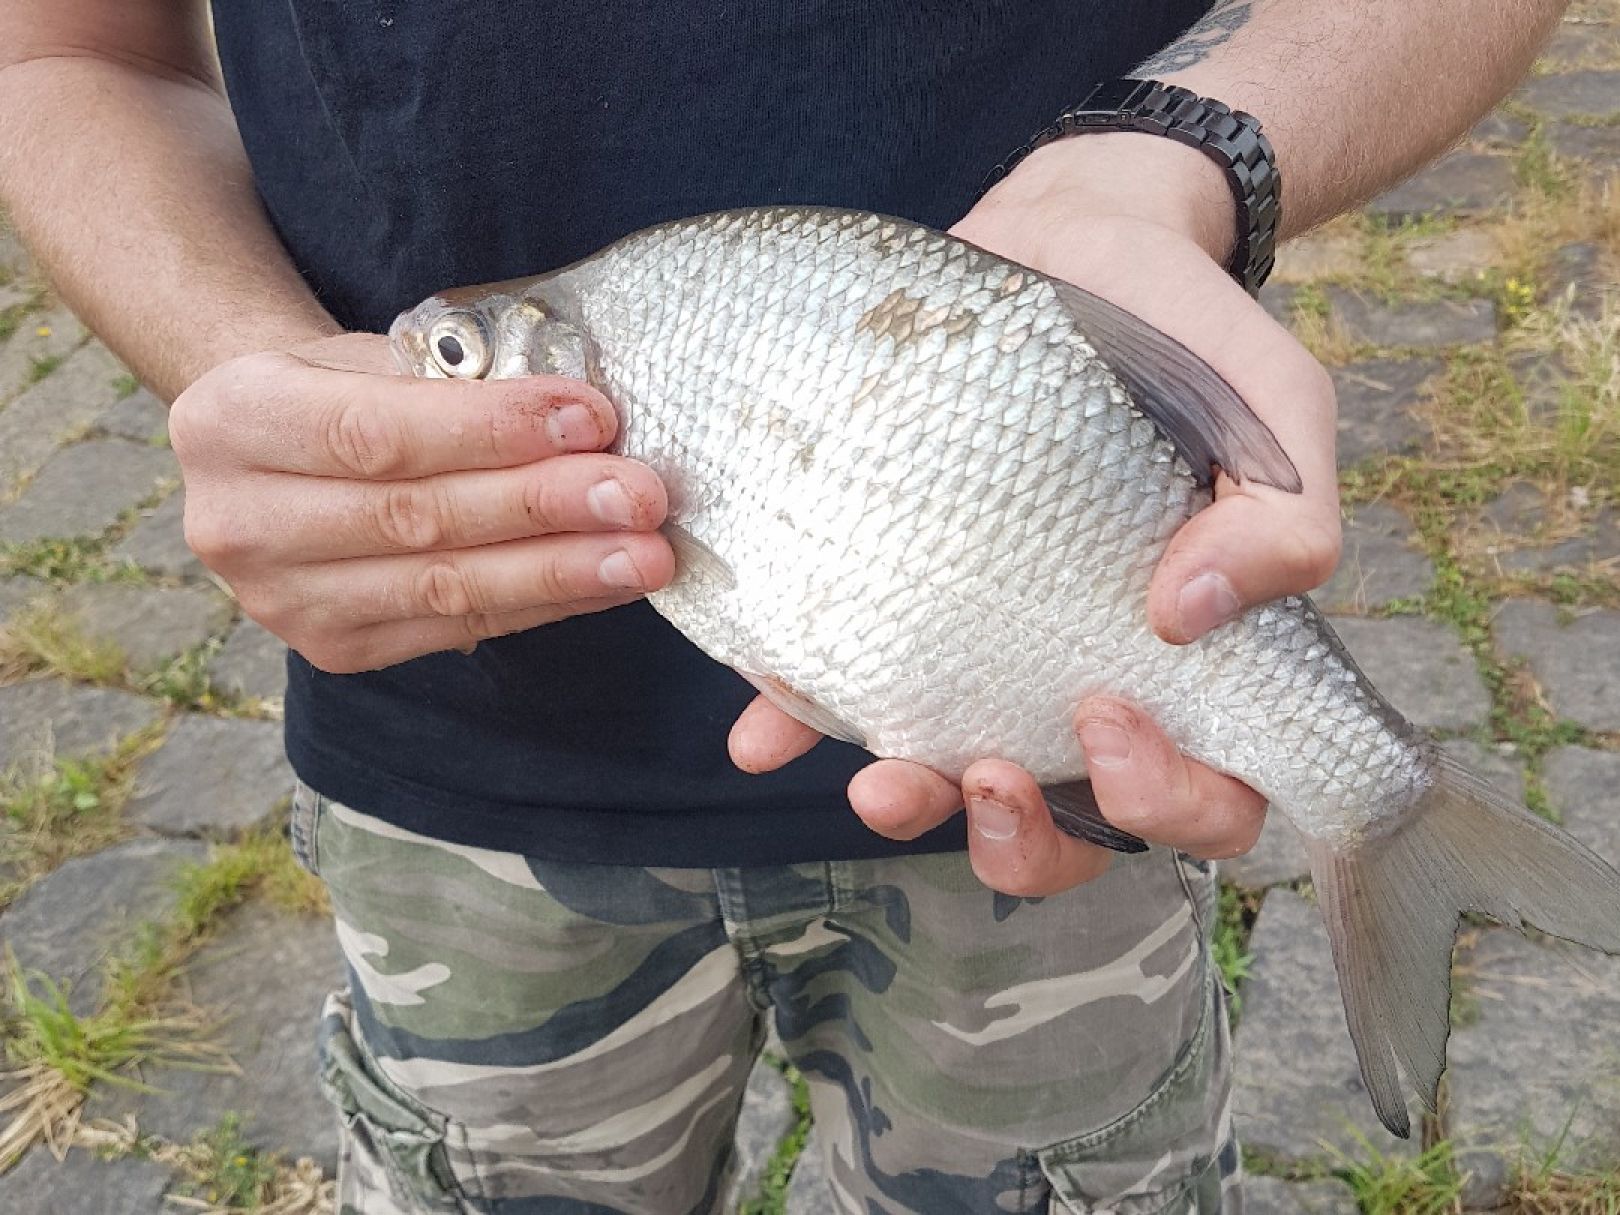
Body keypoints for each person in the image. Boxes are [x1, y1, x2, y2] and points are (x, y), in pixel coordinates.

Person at [0, 2, 1565, 1211]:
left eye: (469, 352)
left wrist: (1173, 161)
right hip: (445, 757)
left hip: (1057, 808)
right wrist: (254, 373)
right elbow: (70, 48)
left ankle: (1392, 816)